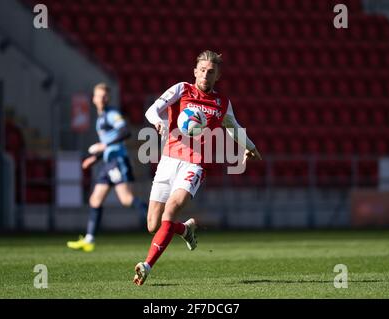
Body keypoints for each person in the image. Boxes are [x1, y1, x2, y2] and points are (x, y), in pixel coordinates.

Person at [133, 50, 262, 285]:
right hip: (168, 160)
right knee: (153, 224)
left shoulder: (221, 103)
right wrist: (160, 123)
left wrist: (250, 147)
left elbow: (233, 127)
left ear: (217, 76)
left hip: (195, 164)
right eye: (202, 70)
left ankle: (147, 265)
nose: (205, 74)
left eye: (210, 71)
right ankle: (185, 230)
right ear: (195, 72)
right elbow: (152, 110)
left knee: (170, 210)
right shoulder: (182, 89)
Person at [67, 83, 148, 252]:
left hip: (118, 160)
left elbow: (125, 132)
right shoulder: (100, 118)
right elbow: (107, 144)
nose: (102, 98)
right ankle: (89, 239)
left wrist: (103, 147)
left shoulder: (112, 114)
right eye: (99, 96)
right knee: (95, 200)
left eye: (105, 96)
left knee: (126, 199)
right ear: (94, 98)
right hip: (108, 162)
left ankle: (156, 222)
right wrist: (94, 158)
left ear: (108, 98)